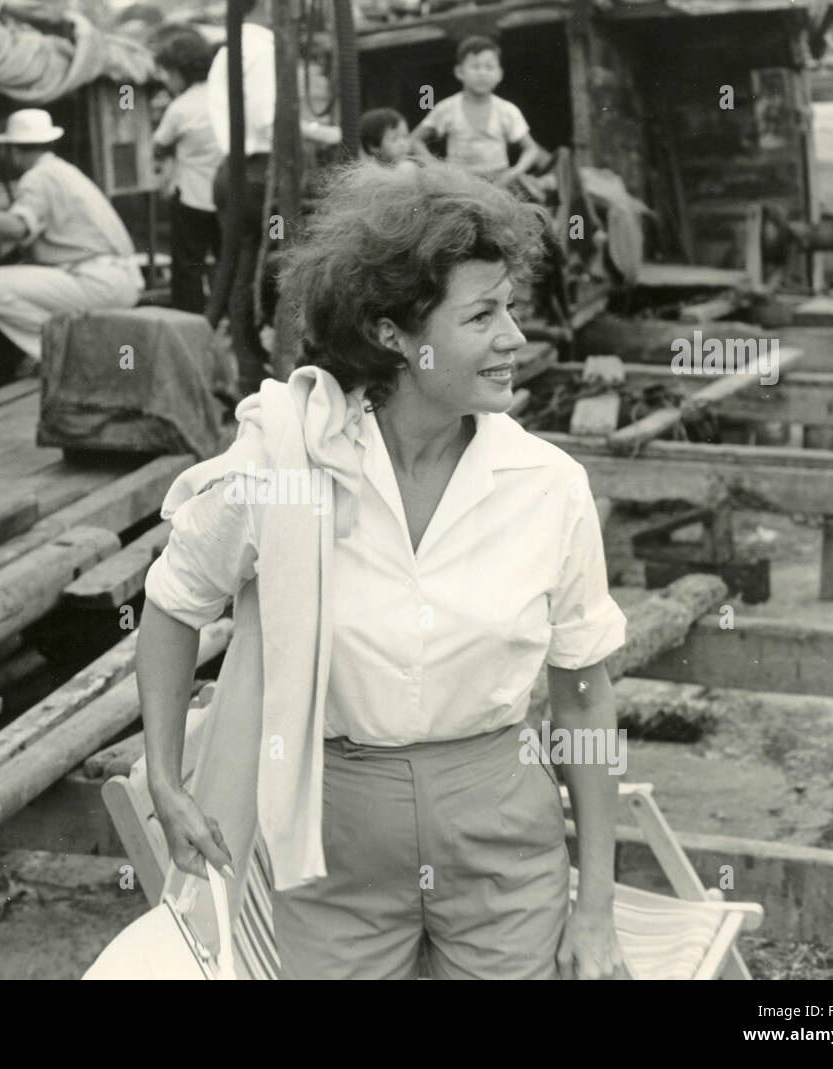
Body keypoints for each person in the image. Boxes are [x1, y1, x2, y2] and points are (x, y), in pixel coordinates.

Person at [136, 159, 628, 980]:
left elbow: (583, 690)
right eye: (482, 315)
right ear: (393, 334)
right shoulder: (288, 462)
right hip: (332, 834)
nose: (515, 337)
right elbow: (174, 600)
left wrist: (598, 905)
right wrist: (161, 774)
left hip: (500, 824)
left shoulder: (549, 486)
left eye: (510, 306)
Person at [0, 109, 143, 378]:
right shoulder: (60, 171)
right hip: (118, 277)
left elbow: (19, 227)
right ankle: (69, 351)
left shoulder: (38, 177)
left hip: (98, 281)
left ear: (13, 150)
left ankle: (70, 354)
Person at [206, 0, 341, 395]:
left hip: (231, 173)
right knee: (274, 265)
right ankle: (281, 365)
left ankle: (249, 369)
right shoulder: (264, 49)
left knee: (241, 270)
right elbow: (271, 118)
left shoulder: (226, 51)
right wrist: (325, 133)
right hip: (259, 177)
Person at [410, 34, 544, 185]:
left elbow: (531, 149)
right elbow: (415, 140)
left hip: (499, 185)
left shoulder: (507, 110)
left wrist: (514, 173)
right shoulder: (447, 108)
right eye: (475, 66)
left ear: (499, 74)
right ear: (459, 72)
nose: (482, 73)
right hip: (459, 186)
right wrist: (437, 168)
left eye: (489, 67)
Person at [153, 29, 223, 315]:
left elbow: (158, 144)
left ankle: (190, 319)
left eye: (168, 74)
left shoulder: (180, 108)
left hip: (192, 198)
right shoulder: (225, 95)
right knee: (226, 259)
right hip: (226, 196)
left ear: (180, 72)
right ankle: (229, 319)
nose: (167, 81)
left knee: (188, 265)